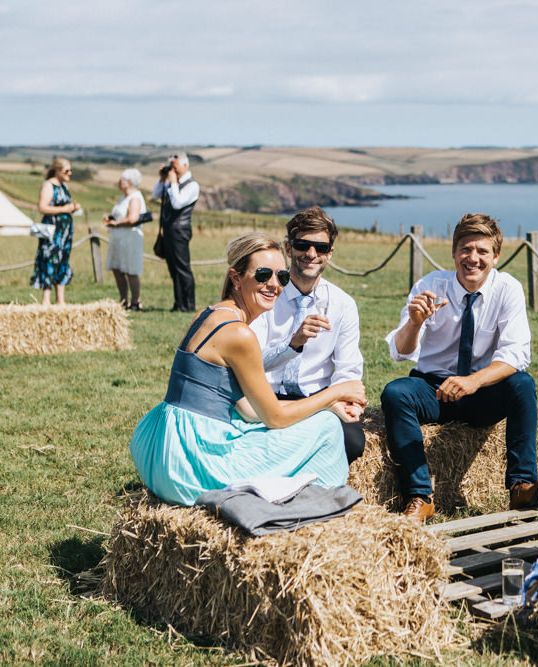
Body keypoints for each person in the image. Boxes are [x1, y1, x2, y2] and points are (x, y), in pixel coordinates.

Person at [129, 232, 367, 506]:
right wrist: (336, 393)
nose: (274, 285)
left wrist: (325, 406)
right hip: (191, 462)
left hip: (160, 450)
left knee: (317, 419)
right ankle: (318, 509)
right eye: (263, 275)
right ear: (235, 277)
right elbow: (274, 417)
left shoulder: (210, 313)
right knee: (327, 428)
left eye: (282, 277)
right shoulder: (239, 335)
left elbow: (248, 410)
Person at [381, 213, 538, 522]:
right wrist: (414, 323)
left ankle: (522, 486)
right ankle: (419, 496)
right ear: (454, 253)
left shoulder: (508, 289)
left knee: (522, 384)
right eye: (466, 249)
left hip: (482, 392)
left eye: (482, 251)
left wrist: (474, 381)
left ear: (496, 257)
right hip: (434, 388)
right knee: (395, 392)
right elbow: (400, 352)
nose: (473, 258)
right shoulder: (429, 286)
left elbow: (516, 353)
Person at [249, 207, 366, 464]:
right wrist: (293, 343)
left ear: (330, 254)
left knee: (353, 442)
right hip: (266, 396)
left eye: (321, 248)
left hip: (318, 398)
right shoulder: (266, 295)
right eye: (303, 245)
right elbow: (250, 362)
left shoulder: (343, 304)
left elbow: (348, 369)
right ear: (288, 249)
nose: (311, 254)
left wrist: (348, 402)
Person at [151, 152, 199, 312]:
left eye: (175, 166)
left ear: (186, 165)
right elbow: (155, 195)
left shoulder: (192, 185)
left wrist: (172, 183)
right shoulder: (171, 183)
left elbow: (178, 203)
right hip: (169, 231)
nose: (173, 169)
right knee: (173, 268)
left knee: (182, 268)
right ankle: (178, 303)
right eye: (171, 166)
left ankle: (189, 304)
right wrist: (162, 179)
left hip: (180, 231)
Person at [31, 157, 81, 305]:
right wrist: (63, 209)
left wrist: (73, 208)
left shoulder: (64, 186)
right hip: (52, 231)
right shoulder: (48, 186)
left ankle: (60, 299)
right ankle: (46, 299)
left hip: (65, 231)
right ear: (57, 170)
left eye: (71, 170)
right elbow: (42, 207)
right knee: (49, 259)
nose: (70, 173)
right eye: (67, 170)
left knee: (63, 260)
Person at [103, 168, 147, 310]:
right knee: (118, 269)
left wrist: (116, 223)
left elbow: (132, 218)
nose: (119, 182)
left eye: (122, 180)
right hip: (119, 238)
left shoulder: (135, 197)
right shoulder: (123, 197)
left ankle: (135, 301)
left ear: (130, 182)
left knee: (130, 269)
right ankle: (123, 299)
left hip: (130, 238)